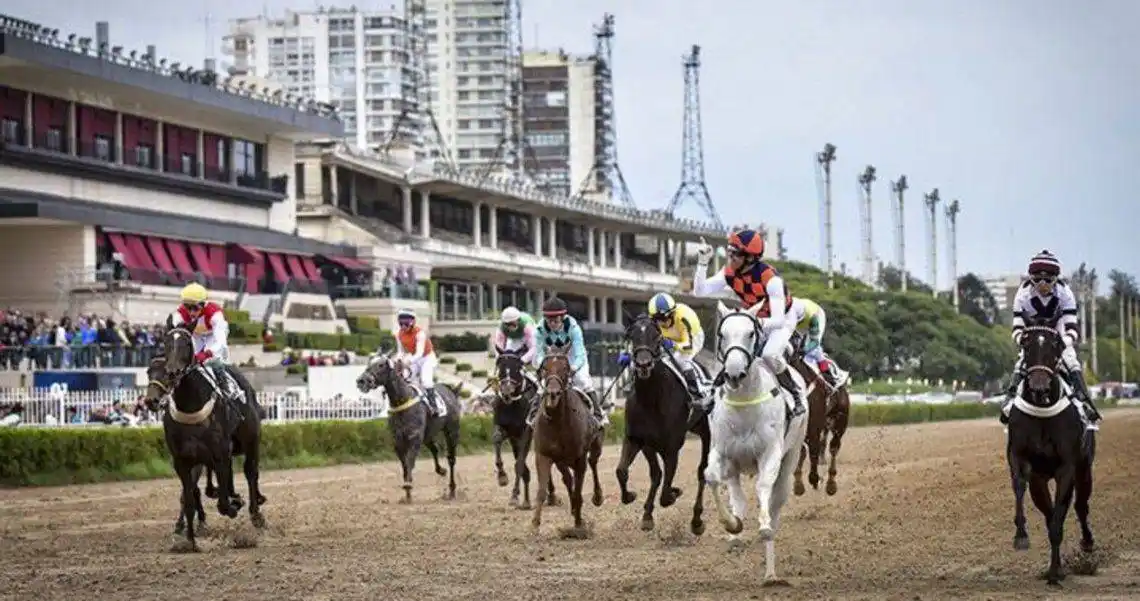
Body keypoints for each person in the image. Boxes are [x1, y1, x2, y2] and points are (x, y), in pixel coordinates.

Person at [691, 229, 806, 417]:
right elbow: (700, 291)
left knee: (769, 355)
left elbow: (776, 321)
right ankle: (713, 393)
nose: (730, 257)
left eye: (734, 254)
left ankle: (796, 395)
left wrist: (753, 322)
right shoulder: (729, 273)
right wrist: (703, 263)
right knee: (734, 350)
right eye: (729, 252)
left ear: (750, 258)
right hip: (757, 318)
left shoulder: (771, 279)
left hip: (783, 318)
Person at [1001, 250, 1101, 429]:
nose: (1042, 284)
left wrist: (1063, 343)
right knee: (1022, 362)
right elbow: (1017, 328)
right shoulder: (1022, 295)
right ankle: (1009, 401)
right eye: (1037, 279)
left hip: (1058, 332)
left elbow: (1072, 328)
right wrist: (1022, 341)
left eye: (1047, 280)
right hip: (1033, 335)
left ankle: (1085, 404)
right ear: (1031, 278)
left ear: (1055, 279)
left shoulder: (1065, 293)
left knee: (1071, 360)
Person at [166, 282, 246, 412]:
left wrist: (207, 353)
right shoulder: (179, 314)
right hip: (196, 336)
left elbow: (220, 341)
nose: (191, 312)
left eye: (195, 308)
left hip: (213, 337)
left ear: (203, 305)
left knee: (215, 362)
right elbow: (177, 335)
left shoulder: (215, 314)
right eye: (187, 307)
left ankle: (230, 388)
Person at [620, 292, 710, 406]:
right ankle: (632, 383)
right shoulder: (653, 322)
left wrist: (673, 345)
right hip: (669, 339)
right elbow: (641, 337)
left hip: (692, 338)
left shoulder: (684, 317)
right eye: (659, 319)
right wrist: (628, 354)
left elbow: (688, 346)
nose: (664, 322)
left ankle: (696, 393)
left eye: (667, 317)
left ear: (673, 312)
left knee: (680, 359)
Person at [533, 297, 607, 428]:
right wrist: (542, 364)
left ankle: (598, 413)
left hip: (573, 358)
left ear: (562, 317)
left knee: (583, 381)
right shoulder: (539, 329)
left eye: (555, 320)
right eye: (549, 320)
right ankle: (533, 415)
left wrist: (573, 368)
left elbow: (580, 353)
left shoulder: (574, 328)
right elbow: (538, 353)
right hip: (552, 361)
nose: (552, 324)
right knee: (542, 385)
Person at [393, 308, 445, 417]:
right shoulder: (398, 334)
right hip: (414, 358)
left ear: (412, 322)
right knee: (405, 379)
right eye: (401, 323)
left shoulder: (420, 333)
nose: (403, 327)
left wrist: (407, 361)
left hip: (427, 358)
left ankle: (434, 406)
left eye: (405, 324)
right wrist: (398, 360)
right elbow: (400, 352)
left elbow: (420, 353)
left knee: (426, 381)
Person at [790, 297, 844, 390]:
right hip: (799, 320)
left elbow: (814, 342)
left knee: (812, 350)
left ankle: (831, 376)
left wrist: (804, 350)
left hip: (817, 315)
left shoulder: (813, 318)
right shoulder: (785, 312)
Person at [493, 306, 539, 386]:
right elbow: (499, 348)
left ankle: (537, 383)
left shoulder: (527, 326)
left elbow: (534, 347)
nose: (510, 326)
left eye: (512, 323)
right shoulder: (501, 328)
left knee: (533, 359)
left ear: (518, 320)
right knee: (509, 358)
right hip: (513, 339)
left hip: (528, 336)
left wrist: (522, 360)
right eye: (507, 324)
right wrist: (500, 361)